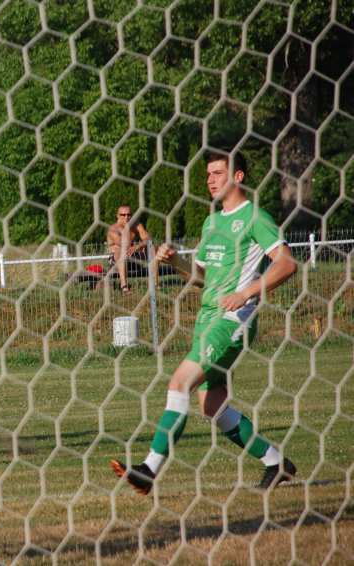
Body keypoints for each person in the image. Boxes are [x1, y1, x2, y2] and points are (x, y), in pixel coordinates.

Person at [110, 152, 298, 495]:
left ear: (238, 176)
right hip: (208, 317)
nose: (210, 179)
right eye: (208, 173)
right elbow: (201, 278)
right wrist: (175, 261)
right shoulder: (211, 223)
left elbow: (287, 264)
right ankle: (276, 462)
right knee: (212, 405)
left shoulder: (255, 217)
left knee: (179, 383)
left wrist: (247, 292)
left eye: (217, 172)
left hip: (233, 320)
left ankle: (149, 469)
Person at [104, 205, 151, 294]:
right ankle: (124, 287)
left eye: (129, 214)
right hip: (116, 262)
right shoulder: (113, 229)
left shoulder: (137, 225)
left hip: (132, 257)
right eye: (123, 215)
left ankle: (155, 284)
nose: (126, 217)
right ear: (117, 216)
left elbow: (148, 239)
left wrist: (138, 246)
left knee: (152, 248)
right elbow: (125, 245)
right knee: (120, 252)